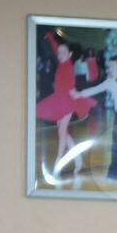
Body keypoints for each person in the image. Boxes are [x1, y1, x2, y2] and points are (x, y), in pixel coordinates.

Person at [34, 32, 97, 180]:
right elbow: (57, 48)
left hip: (67, 101)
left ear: (70, 55)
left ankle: (58, 163)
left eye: (64, 53)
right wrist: (50, 38)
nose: (60, 54)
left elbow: (69, 85)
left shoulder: (67, 66)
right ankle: (78, 160)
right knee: (62, 132)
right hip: (58, 100)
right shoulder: (62, 62)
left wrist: (74, 92)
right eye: (59, 52)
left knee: (62, 132)